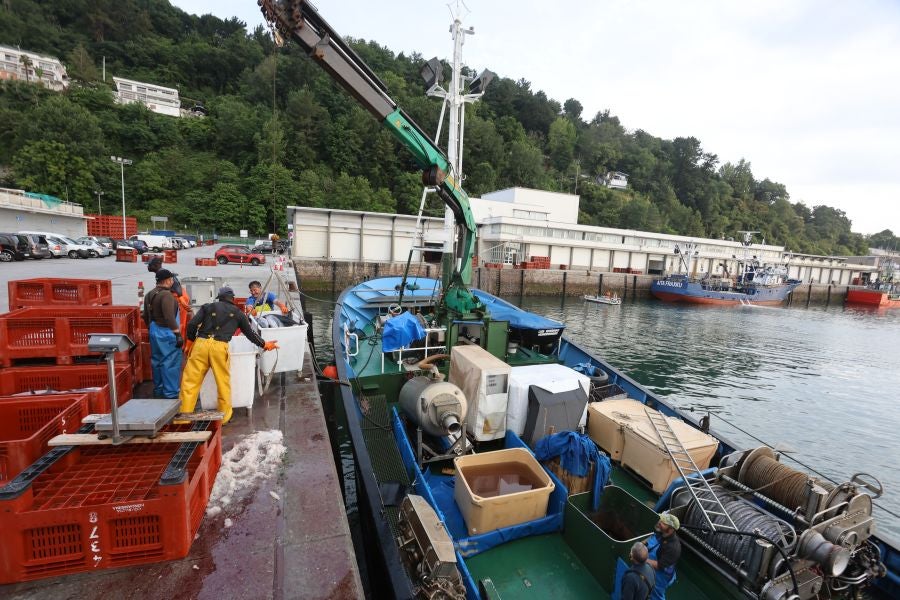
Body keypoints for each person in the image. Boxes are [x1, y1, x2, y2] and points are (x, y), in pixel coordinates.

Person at [179, 286, 278, 424]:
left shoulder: (207, 307)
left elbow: (192, 324)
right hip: (220, 347)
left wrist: (190, 342)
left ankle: (183, 419)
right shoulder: (238, 314)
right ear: (233, 299)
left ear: (219, 297)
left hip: (200, 344)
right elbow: (250, 334)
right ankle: (224, 417)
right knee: (222, 383)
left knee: (189, 383)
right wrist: (265, 344)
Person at [142, 269, 184, 399]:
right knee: (170, 362)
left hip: (154, 330)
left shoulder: (149, 294)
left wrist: (151, 328)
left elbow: (146, 316)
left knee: (157, 361)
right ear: (167, 280)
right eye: (172, 279)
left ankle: (159, 391)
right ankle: (171, 394)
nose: (173, 281)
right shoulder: (167, 295)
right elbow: (169, 317)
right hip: (167, 332)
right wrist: (177, 334)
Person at [147, 255, 192, 338]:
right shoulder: (161, 273)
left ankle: (179, 343)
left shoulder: (164, 272)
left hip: (179, 297)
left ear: (156, 265)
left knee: (179, 323)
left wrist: (181, 298)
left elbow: (176, 284)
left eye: (150, 265)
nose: (148, 267)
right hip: (177, 296)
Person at [646, 512, 682, 600]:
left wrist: (641, 559)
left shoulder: (674, 548)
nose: (659, 523)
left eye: (663, 523)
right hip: (653, 566)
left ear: (670, 529)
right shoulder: (662, 533)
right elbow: (650, 539)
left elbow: (660, 565)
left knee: (656, 595)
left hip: (661, 575)